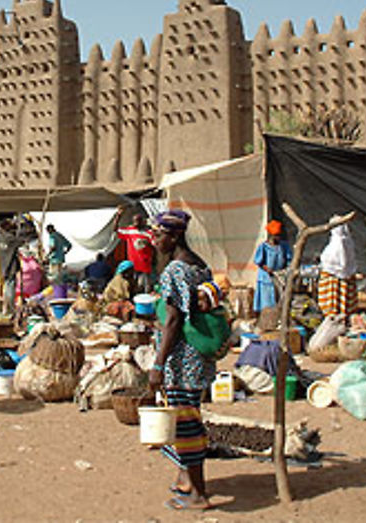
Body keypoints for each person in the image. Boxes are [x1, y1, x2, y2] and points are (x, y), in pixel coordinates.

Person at [147, 210, 216, 511]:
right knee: (189, 418)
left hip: (181, 361)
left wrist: (159, 365)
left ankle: (198, 495)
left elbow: (174, 320)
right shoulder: (200, 265)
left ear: (173, 236)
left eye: (158, 235)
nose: (154, 241)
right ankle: (185, 479)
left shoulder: (175, 270)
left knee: (186, 425)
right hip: (198, 359)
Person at [317, 222, 358, 318]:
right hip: (345, 278)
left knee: (332, 304)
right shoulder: (348, 243)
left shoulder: (336, 243)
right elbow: (346, 263)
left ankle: (333, 319)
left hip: (331, 278)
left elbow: (330, 262)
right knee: (343, 303)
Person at [253, 220, 291, 315]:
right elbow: (259, 261)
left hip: (279, 276)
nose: (278, 238)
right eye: (276, 235)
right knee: (267, 301)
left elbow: (288, 259)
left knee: (280, 299)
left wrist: (285, 270)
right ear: (270, 235)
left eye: (279, 235)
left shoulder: (284, 246)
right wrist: (267, 269)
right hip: (266, 279)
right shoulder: (264, 247)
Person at [113, 207, 155, 293]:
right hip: (133, 265)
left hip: (145, 265)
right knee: (134, 287)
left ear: (142, 221)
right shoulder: (130, 231)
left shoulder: (148, 233)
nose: (135, 223)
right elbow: (115, 230)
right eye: (134, 221)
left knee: (146, 288)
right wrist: (118, 216)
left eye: (138, 221)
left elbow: (155, 245)